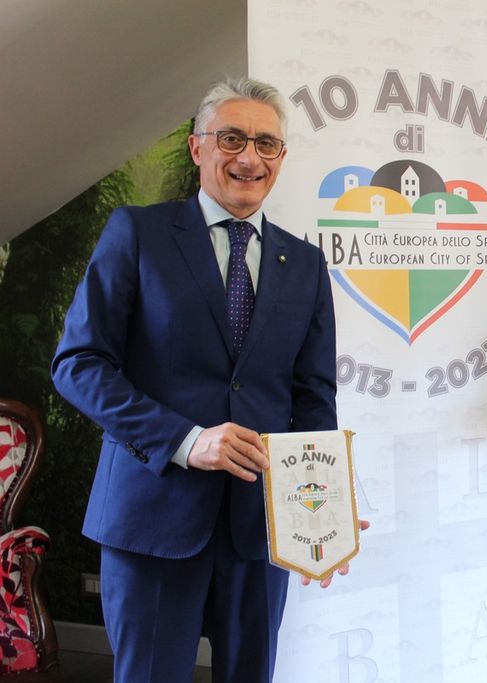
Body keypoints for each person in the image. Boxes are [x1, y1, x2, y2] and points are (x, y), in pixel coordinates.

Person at [52, 77, 356, 683]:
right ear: (198, 147)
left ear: (281, 157)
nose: (249, 158)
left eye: (266, 144)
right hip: (152, 517)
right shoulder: (137, 233)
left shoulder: (305, 263)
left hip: (262, 527)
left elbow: (313, 397)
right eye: (232, 138)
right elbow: (78, 364)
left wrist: (323, 511)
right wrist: (187, 441)